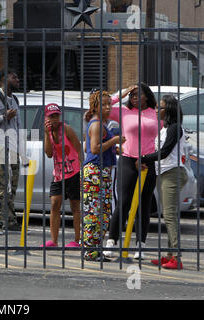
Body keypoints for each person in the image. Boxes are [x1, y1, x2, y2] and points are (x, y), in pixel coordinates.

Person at [105, 83, 158, 259]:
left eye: (138, 94)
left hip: (148, 161)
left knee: (144, 205)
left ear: (147, 96)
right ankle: (111, 241)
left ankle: (140, 245)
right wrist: (122, 93)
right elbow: (99, 109)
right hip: (128, 160)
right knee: (124, 202)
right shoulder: (123, 111)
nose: (134, 97)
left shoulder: (156, 113)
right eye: (132, 95)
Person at [140, 95, 187, 270]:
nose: (157, 110)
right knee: (169, 215)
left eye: (161, 107)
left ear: (169, 110)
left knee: (169, 216)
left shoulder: (175, 128)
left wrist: (144, 158)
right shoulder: (165, 128)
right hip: (165, 173)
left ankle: (176, 257)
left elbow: (165, 152)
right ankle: (169, 255)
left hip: (172, 173)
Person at [83, 90, 125, 261]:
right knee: (95, 212)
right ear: (95, 106)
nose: (108, 107)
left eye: (110, 104)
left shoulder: (100, 123)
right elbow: (93, 149)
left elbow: (90, 148)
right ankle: (91, 251)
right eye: (104, 104)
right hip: (96, 171)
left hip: (102, 171)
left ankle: (95, 249)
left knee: (103, 212)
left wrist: (112, 148)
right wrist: (113, 141)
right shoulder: (97, 124)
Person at [0, 68, 26, 235]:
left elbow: (19, 125)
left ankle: (10, 219)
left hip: (14, 146)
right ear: (4, 79)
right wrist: (3, 117)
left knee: (12, 185)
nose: (17, 79)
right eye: (14, 76)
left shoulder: (15, 99)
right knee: (0, 183)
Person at [43, 103, 83, 248]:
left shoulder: (66, 129)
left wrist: (82, 172)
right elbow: (48, 154)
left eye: (56, 116)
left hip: (74, 172)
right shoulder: (47, 132)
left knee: (74, 206)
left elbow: (79, 150)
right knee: (54, 204)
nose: (54, 119)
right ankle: (53, 241)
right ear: (46, 117)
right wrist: (47, 135)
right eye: (51, 116)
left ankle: (77, 240)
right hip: (58, 174)